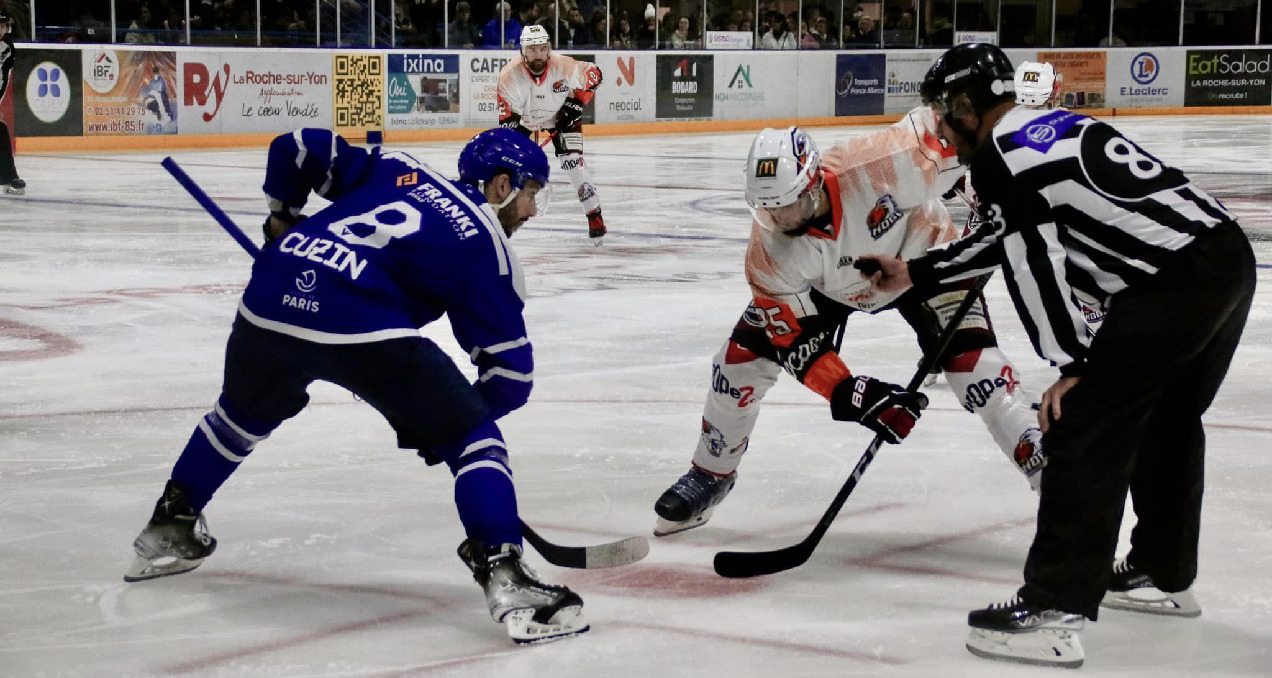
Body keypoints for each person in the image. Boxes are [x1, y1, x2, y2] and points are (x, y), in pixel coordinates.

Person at [863, 43, 1256, 668]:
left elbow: (1032, 265)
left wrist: (1075, 366)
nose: (939, 125)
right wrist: (914, 272)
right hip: (1224, 259)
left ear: (967, 104)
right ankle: (1161, 572)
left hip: (1168, 282)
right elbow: (1004, 235)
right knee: (1166, 419)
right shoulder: (1043, 128)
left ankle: (1052, 607)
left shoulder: (999, 157)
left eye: (943, 110)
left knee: (1082, 425)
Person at [122, 127, 590, 645]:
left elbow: (296, 145)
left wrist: (282, 214)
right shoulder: (486, 246)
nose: (528, 212)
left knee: (238, 416)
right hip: (358, 318)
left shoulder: (398, 168)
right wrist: (449, 426)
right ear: (502, 185)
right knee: (476, 440)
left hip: (272, 293)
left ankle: (171, 522)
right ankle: (507, 577)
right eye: (530, 196)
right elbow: (512, 377)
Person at [652, 111, 1050, 538]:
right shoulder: (768, 251)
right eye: (768, 211)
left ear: (814, 183)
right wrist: (850, 393)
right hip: (829, 288)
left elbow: (962, 132)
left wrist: (997, 189)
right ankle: (711, 473)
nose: (781, 222)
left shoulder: (883, 162)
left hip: (924, 263)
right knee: (738, 363)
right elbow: (794, 339)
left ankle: (1057, 483)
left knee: (979, 373)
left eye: (788, 206)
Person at [498, 25, 607, 243]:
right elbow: (507, 121)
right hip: (525, 119)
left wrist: (576, 103)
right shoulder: (509, 76)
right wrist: (518, 143)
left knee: (574, 163)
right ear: (522, 51)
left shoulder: (565, 66)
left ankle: (595, 217)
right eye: (532, 50)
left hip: (561, 117)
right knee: (507, 164)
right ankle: (500, 216)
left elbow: (596, 75)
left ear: (549, 49)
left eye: (542, 49)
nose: (538, 55)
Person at [0, 10, 22, 195]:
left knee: (1, 132)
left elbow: (3, 78)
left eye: (3, 26)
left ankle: (9, 176)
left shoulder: (7, 47)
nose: (1, 30)